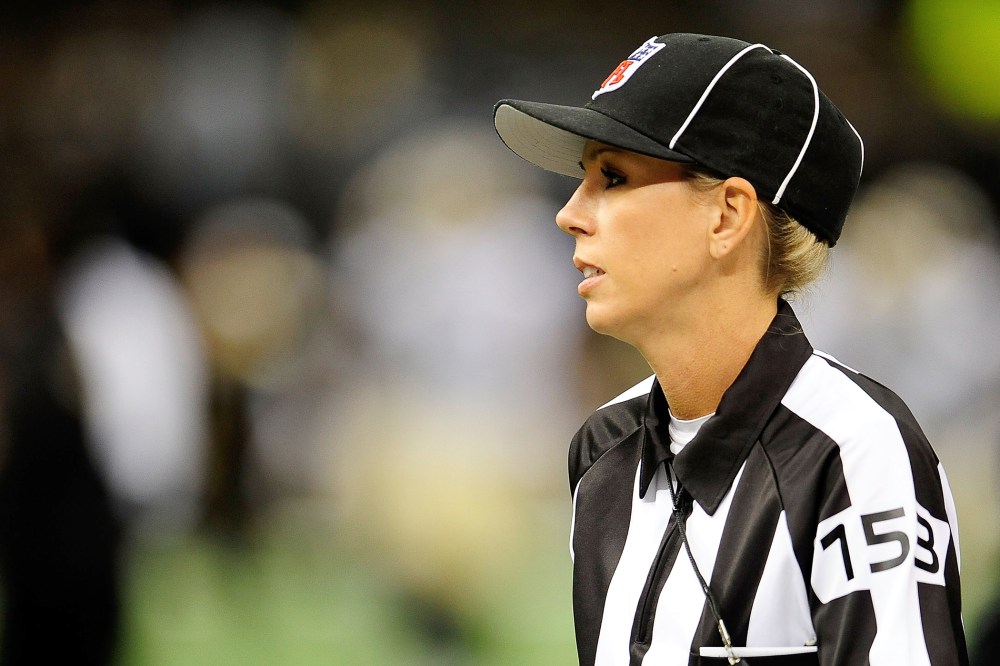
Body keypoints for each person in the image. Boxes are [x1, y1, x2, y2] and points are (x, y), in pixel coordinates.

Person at [493, 33, 967, 665]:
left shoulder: (855, 452)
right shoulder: (603, 449)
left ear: (727, 216)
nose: (570, 214)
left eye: (613, 177)